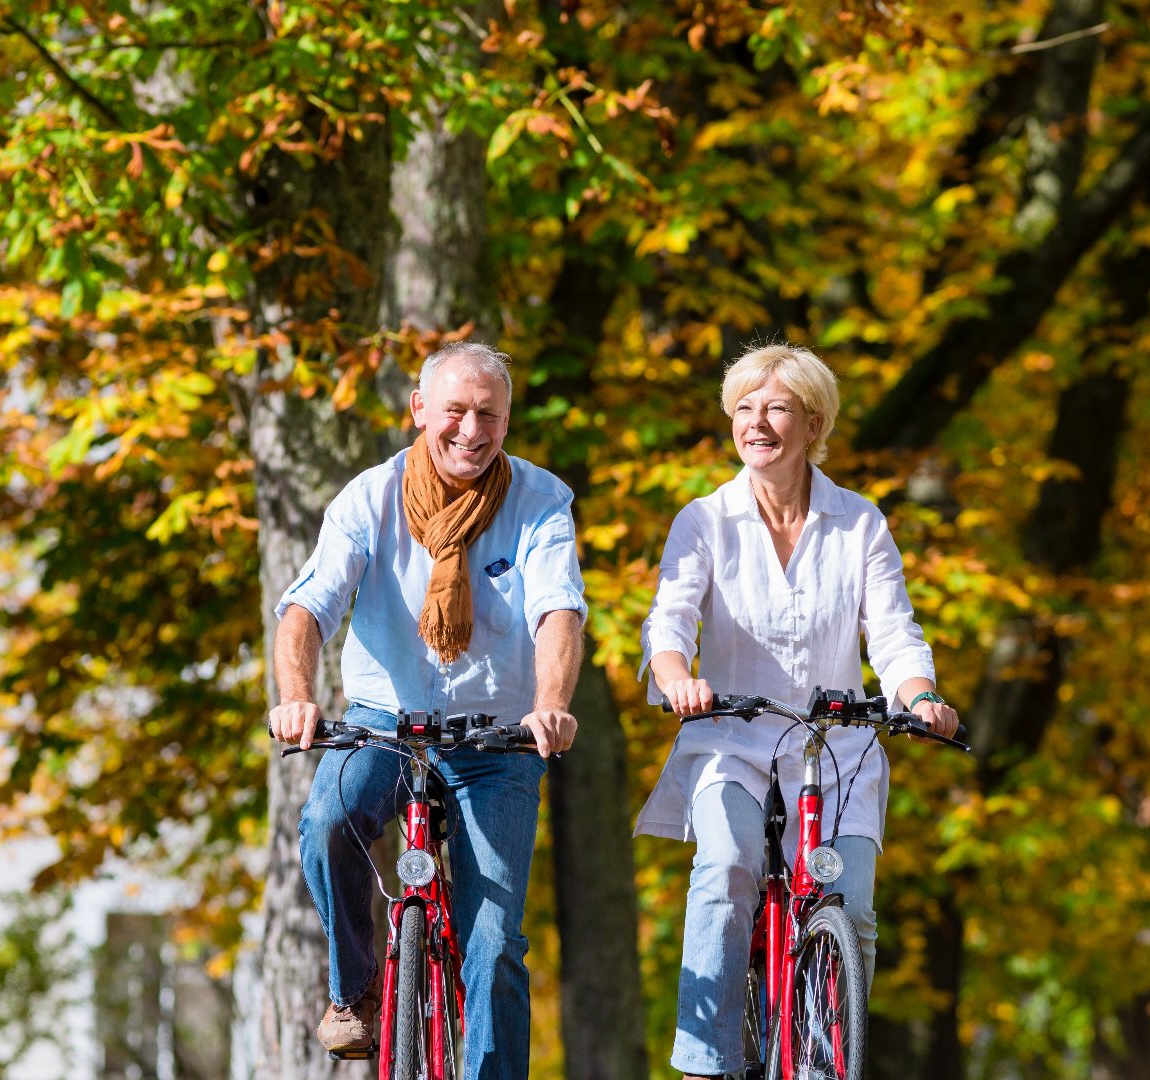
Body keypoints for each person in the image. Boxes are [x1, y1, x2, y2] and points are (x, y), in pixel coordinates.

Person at [635, 342, 959, 1080]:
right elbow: (669, 621)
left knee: (854, 910)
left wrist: (921, 698)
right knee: (726, 867)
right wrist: (676, 676)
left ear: (813, 425)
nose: (757, 424)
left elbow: (895, 632)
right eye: (744, 409)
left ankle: (823, 1062)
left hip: (837, 748)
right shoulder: (704, 520)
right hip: (731, 744)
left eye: (776, 408)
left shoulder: (861, 524)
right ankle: (708, 1063)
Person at [268, 341, 586, 1080]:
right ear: (419, 411)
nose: (471, 431)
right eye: (455, 411)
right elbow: (306, 611)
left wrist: (552, 706)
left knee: (495, 942)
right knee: (326, 821)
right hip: (384, 719)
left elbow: (559, 612)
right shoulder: (369, 499)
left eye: (489, 415)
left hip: (497, 738)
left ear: (508, 421)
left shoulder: (541, 501)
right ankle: (354, 993)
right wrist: (295, 699)